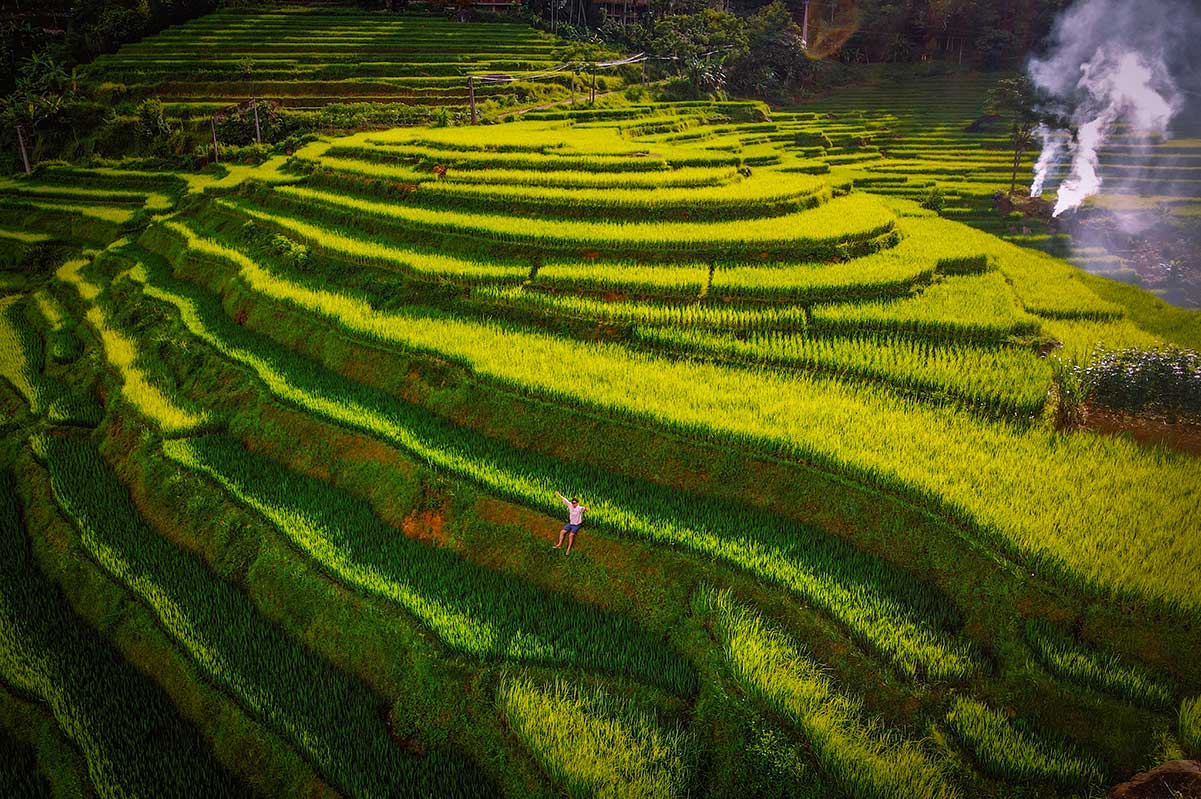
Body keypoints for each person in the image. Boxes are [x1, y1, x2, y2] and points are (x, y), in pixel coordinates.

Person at [553, 490, 588, 555]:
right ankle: (559, 544)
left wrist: (586, 509)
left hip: (576, 525)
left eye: (574, 503)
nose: (573, 504)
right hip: (570, 523)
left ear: (577, 503)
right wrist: (558, 494)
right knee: (562, 532)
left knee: (571, 535)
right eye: (573, 503)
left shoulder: (579, 508)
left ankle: (568, 549)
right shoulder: (570, 505)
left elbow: (584, 508)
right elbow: (564, 499)